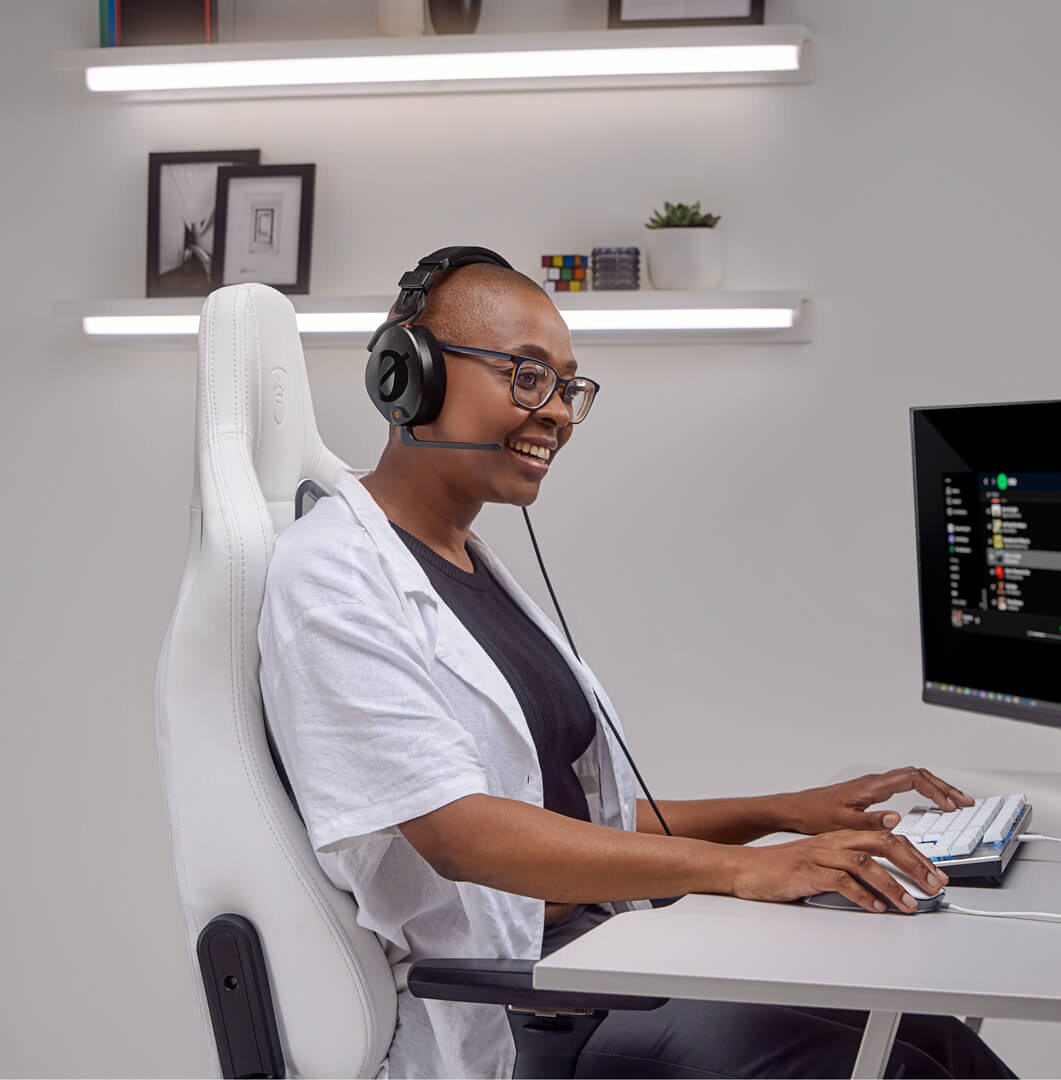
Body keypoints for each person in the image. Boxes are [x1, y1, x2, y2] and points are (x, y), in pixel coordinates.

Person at [257, 251, 1016, 1079]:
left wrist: (788, 812)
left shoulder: (471, 569)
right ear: (414, 374)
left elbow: (583, 825)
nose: (557, 414)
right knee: (891, 1070)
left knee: (932, 1039)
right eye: (527, 376)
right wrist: (745, 869)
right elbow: (460, 834)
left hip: (604, 959)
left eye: (569, 389)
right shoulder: (331, 571)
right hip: (524, 1010)